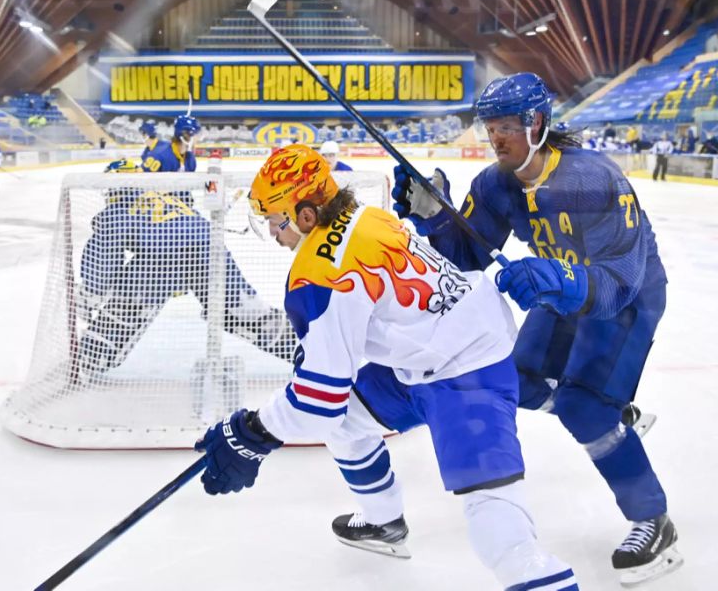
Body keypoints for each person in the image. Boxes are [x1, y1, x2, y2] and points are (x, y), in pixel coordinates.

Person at [194, 144, 579, 590]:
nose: (272, 232)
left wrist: (252, 432)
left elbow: (319, 400)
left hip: (468, 373)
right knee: (344, 425)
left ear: (303, 215)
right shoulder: (368, 217)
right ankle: (384, 523)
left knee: (503, 539)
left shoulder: (315, 277)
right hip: (433, 350)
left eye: (274, 220)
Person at [392, 72, 681, 586]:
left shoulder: (593, 179)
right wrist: (434, 217)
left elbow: (620, 280)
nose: (495, 137)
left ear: (538, 123)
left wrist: (558, 277)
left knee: (582, 407)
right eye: (490, 127)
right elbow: (466, 257)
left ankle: (653, 520)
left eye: (506, 125)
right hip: (562, 284)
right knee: (513, 379)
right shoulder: (496, 184)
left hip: (628, 297)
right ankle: (614, 412)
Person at [77, 161, 297, 381]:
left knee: (126, 308)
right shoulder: (168, 194)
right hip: (208, 246)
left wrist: (91, 294)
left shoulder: (116, 212)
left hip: (157, 260)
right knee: (242, 311)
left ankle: (91, 356)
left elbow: (103, 253)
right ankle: (304, 350)